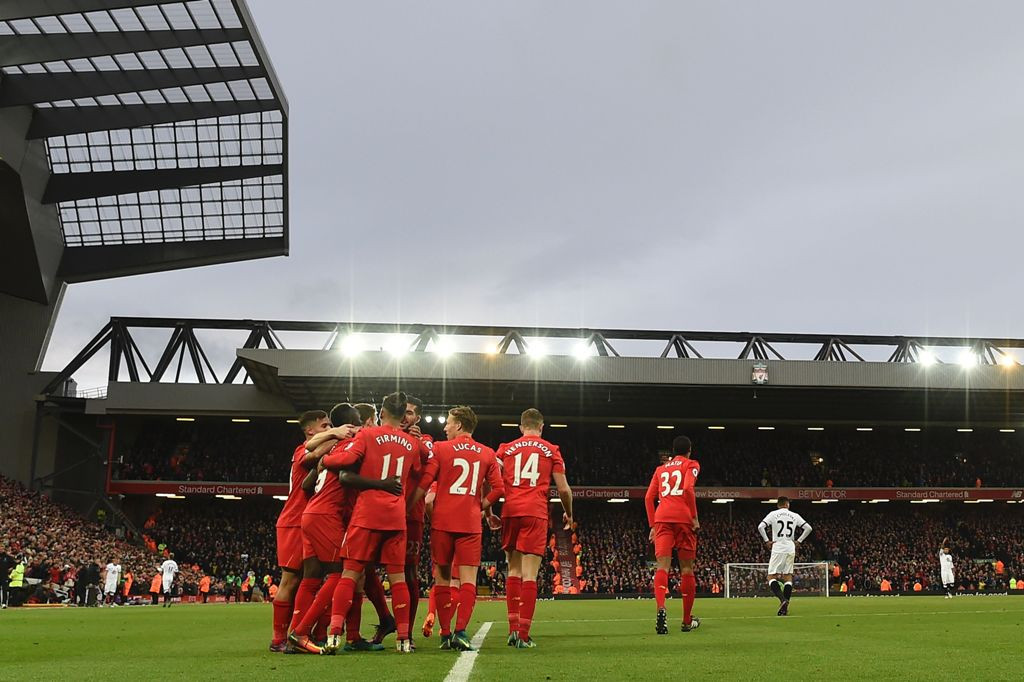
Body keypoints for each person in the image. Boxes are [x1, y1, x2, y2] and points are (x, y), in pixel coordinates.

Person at [315, 391, 429, 654]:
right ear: (403, 416)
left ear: (382, 412)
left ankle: (334, 634)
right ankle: (403, 639)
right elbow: (418, 470)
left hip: (366, 515)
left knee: (350, 574)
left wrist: (325, 460)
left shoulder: (367, 435)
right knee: (398, 578)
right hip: (396, 516)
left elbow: (345, 460)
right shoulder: (411, 443)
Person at [288, 403, 401, 655]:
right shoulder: (354, 443)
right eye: (361, 419)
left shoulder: (335, 445)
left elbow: (307, 484)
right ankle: (301, 632)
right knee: (343, 574)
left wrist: (323, 462)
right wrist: (382, 484)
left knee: (319, 575)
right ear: (353, 423)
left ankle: (329, 634)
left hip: (315, 512)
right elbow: (345, 477)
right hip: (328, 514)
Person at [410, 406, 504, 652]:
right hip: (470, 524)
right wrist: (479, 506)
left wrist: (408, 506)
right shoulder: (487, 453)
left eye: (449, 422)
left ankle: (444, 634)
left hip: (442, 522)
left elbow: (426, 482)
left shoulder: (440, 448)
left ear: (459, 425)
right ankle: (461, 632)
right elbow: (498, 489)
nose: (445, 427)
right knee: (468, 581)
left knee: (442, 578)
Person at [494, 408, 572, 648]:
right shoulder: (552, 450)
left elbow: (491, 478)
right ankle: (524, 635)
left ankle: (512, 630)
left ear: (521, 427)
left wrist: (487, 510)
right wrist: (569, 513)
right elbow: (564, 489)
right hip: (535, 512)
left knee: (513, 570)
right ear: (541, 427)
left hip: (510, 511)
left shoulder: (505, 448)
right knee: (529, 575)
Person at [271, 410, 336, 651]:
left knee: (313, 580)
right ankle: (278, 639)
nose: (330, 429)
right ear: (310, 430)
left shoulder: (322, 449)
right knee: (290, 580)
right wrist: (338, 435)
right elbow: (314, 455)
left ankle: (305, 633)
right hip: (294, 521)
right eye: (324, 426)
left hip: (312, 521)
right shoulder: (302, 451)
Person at [645, 436, 701, 634]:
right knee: (686, 569)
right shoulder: (691, 464)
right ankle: (686, 621)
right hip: (683, 519)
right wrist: (694, 517)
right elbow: (688, 488)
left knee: (662, 566)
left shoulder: (660, 469)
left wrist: (652, 526)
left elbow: (648, 498)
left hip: (662, 518)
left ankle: (661, 608)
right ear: (689, 450)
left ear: (673, 450)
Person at [401, 396, 433, 649]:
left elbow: (430, 467)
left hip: (411, 515)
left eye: (410, 413)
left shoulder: (426, 442)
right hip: (375, 514)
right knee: (359, 571)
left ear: (418, 418)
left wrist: (417, 442)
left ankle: (407, 632)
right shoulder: (382, 436)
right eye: (402, 411)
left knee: (408, 572)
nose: (405, 416)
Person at [757, 497, 812, 616]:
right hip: (790, 547)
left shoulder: (773, 514)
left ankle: (782, 600)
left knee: (771, 577)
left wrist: (767, 541)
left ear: (778, 505)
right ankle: (784, 608)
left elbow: (760, 526)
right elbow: (808, 528)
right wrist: (799, 541)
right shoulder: (795, 515)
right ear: (787, 505)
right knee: (788, 577)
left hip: (778, 547)